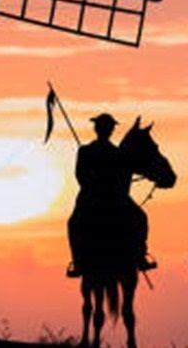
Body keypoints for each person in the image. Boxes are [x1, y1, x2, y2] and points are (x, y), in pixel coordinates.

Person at [65, 113, 153, 278]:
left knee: (140, 217)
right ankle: (78, 261)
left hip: (114, 196)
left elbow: (122, 176)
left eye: (109, 127)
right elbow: (80, 175)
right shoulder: (85, 151)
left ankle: (140, 255)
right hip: (91, 196)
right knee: (74, 224)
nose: (107, 130)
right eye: (105, 127)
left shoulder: (117, 153)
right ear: (98, 129)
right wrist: (96, 185)